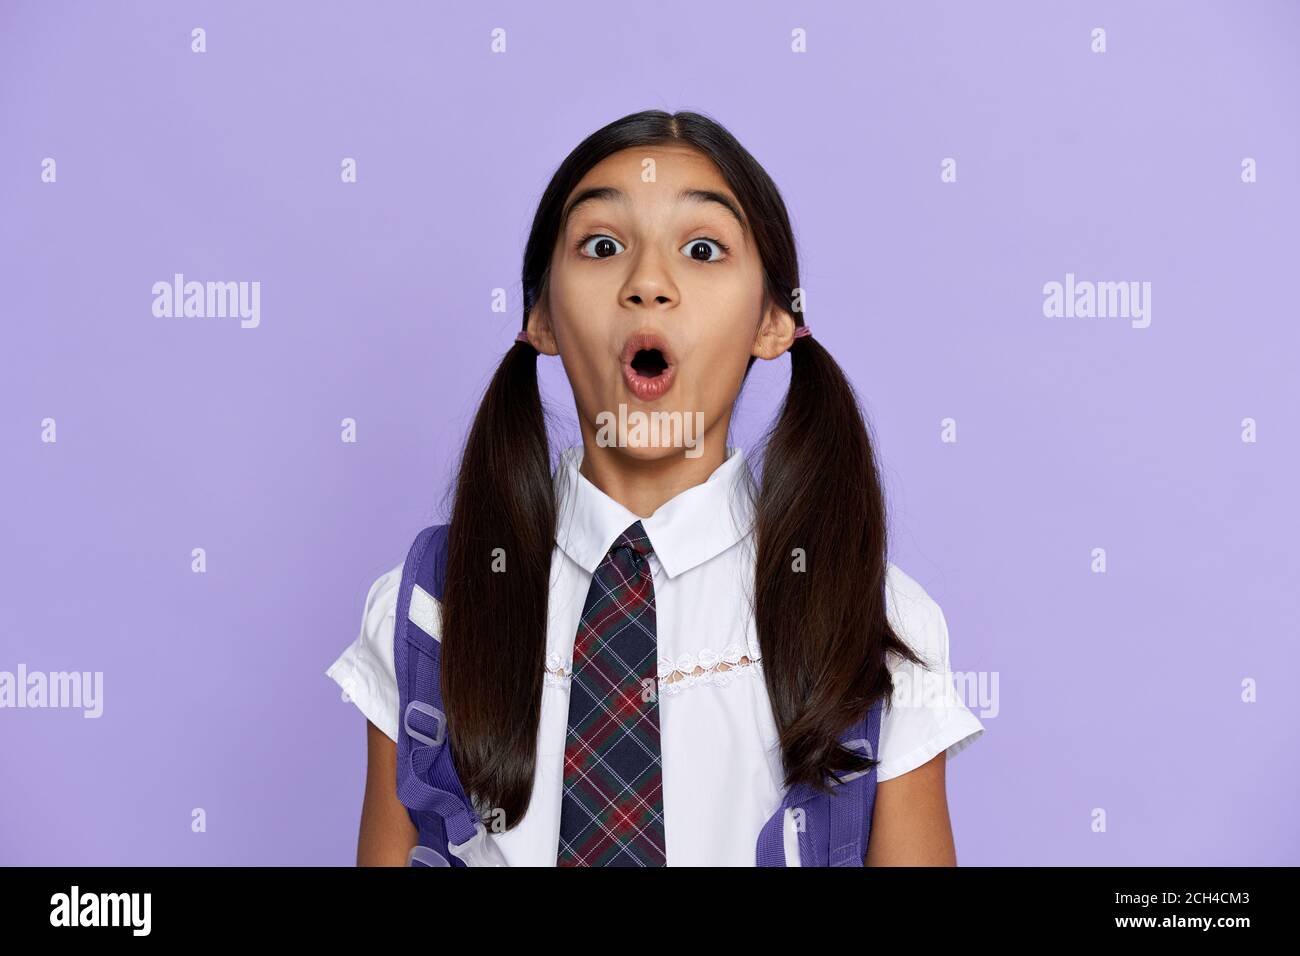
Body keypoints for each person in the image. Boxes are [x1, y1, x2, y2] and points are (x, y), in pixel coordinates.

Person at [327, 109, 985, 866]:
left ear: (774, 322)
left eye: (703, 249)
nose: (647, 282)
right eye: (603, 246)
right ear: (540, 316)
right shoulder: (428, 611)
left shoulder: (875, 621)